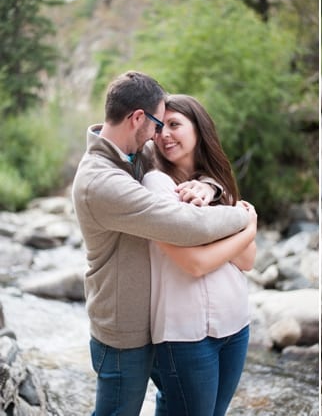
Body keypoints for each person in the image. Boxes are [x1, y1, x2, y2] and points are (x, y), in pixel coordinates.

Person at [71, 71, 254, 415]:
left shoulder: (133, 152)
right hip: (124, 328)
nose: (160, 135)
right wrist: (245, 216)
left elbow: (187, 157)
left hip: (154, 319)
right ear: (137, 118)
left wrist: (213, 186)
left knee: (174, 404)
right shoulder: (101, 180)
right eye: (157, 124)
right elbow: (185, 225)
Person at [142, 94, 256, 415]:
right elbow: (194, 264)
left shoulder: (217, 183)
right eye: (159, 127)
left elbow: (247, 261)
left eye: (175, 124)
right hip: (185, 334)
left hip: (235, 325)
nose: (164, 134)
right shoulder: (156, 186)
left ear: (199, 129)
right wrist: (248, 227)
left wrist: (236, 224)